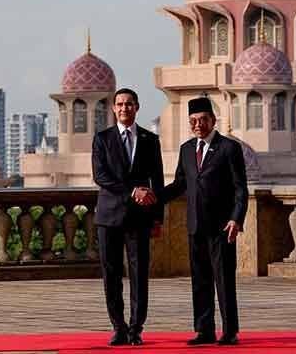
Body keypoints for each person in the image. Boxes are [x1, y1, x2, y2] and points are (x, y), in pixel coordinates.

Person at [161, 96, 248, 346]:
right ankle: (204, 330)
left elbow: (241, 189)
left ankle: (230, 331)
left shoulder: (229, 148)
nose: (198, 125)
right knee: (200, 281)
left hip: (222, 227)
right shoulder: (187, 149)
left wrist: (236, 219)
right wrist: (156, 197)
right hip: (195, 225)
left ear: (212, 120)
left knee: (224, 280)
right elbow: (180, 184)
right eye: (193, 121)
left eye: (202, 120)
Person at [92, 88, 164, 346]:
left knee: (139, 274)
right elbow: (101, 177)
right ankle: (118, 327)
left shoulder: (149, 139)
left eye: (129, 104)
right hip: (109, 217)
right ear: (114, 108)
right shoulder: (102, 139)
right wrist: (133, 191)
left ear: (137, 107)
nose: (125, 108)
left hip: (140, 218)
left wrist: (158, 218)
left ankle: (136, 328)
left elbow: (157, 180)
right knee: (111, 274)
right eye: (120, 104)